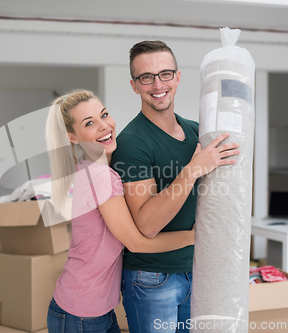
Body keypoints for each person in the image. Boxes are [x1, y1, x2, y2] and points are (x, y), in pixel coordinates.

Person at [111, 40, 240, 332]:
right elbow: (146, 224)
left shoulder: (197, 132)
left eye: (165, 74)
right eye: (146, 77)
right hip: (152, 277)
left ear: (178, 77)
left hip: (196, 268)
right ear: (135, 85)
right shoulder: (132, 143)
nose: (158, 84)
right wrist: (193, 169)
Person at [45, 89, 195, 333]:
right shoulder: (100, 176)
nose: (104, 126)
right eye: (90, 123)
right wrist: (195, 236)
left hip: (92, 308)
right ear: (72, 136)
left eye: (104, 115)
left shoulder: (95, 168)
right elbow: (137, 242)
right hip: (81, 314)